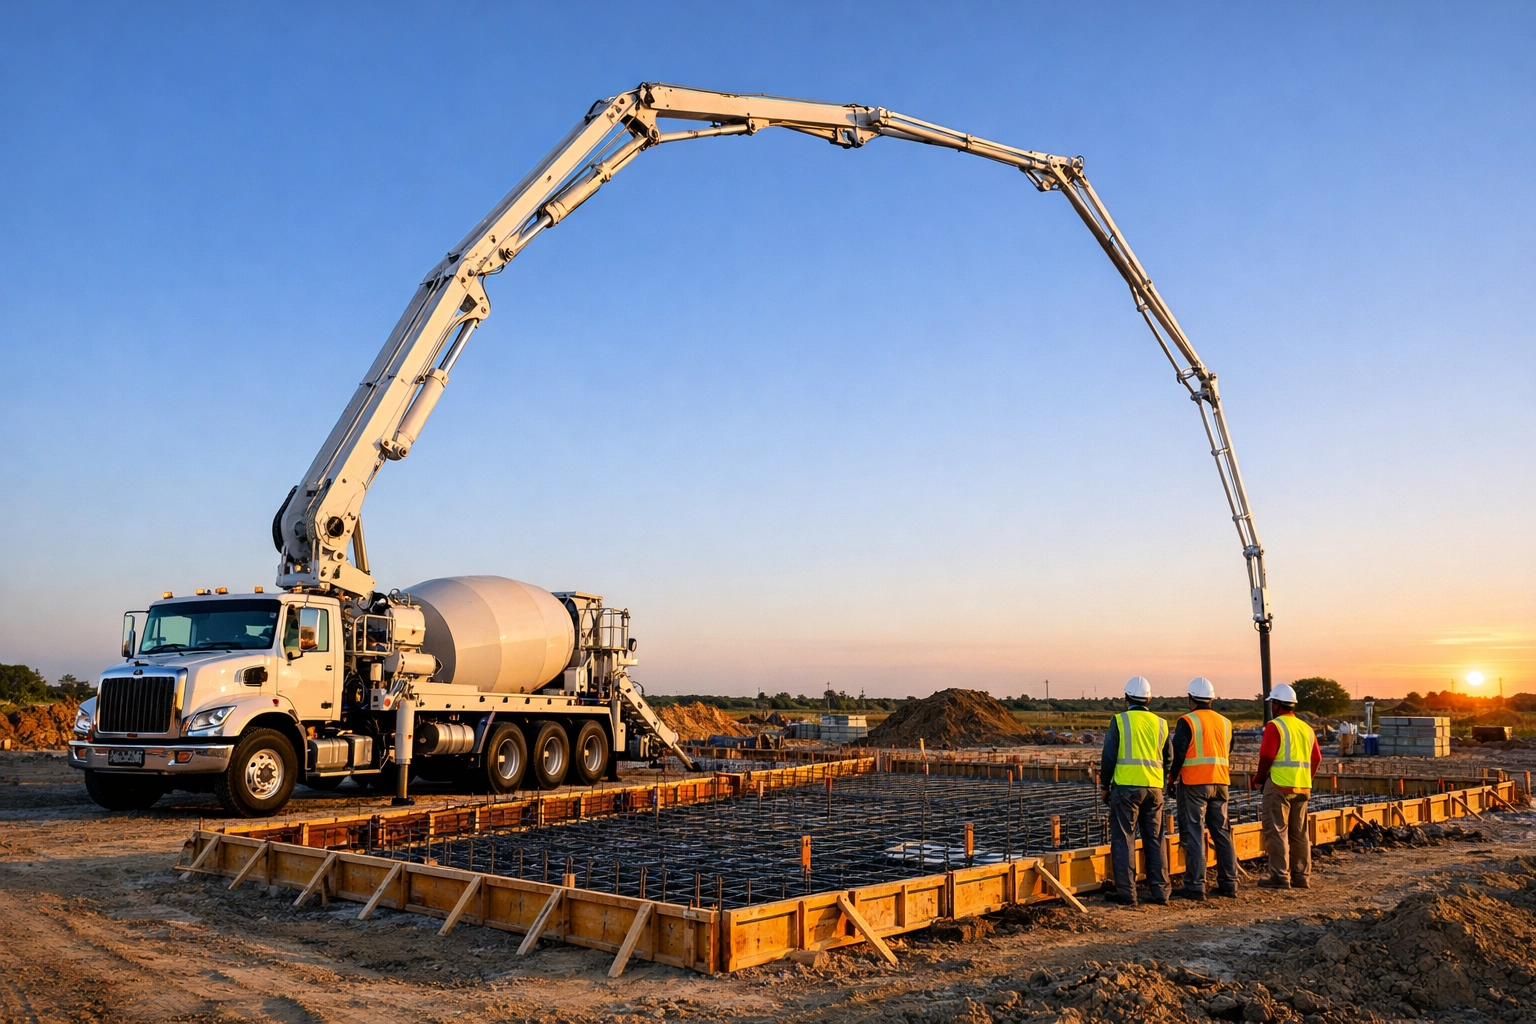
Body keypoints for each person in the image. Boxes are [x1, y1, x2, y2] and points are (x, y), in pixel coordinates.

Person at [1099, 676, 1174, 906]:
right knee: (1155, 839)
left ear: (1126, 698)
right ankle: (1161, 891)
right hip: (1154, 789)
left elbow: (1109, 756)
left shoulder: (1120, 721)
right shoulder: (1161, 723)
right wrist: (1160, 778)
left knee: (1124, 839)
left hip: (1126, 789)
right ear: (1149, 699)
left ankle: (1127, 893)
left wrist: (1104, 784)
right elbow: (1169, 757)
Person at [1168, 677, 1238, 900]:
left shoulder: (1187, 721)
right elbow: (1229, 749)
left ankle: (1195, 885)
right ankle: (1230, 883)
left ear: (1191, 699)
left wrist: (1171, 779)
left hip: (1195, 783)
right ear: (1211, 699)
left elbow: (1178, 753)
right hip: (1221, 782)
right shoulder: (1225, 722)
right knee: (1223, 832)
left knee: (1194, 831)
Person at [1251, 683, 1321, 889]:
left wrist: (1260, 778)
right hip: (1302, 785)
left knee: (1276, 830)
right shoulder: (1306, 728)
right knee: (1299, 833)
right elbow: (1316, 757)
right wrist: (1306, 778)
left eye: (1272, 702)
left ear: (1277, 704)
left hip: (1280, 784)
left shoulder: (1275, 726)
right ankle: (1301, 877)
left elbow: (1266, 755)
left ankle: (1280, 876)